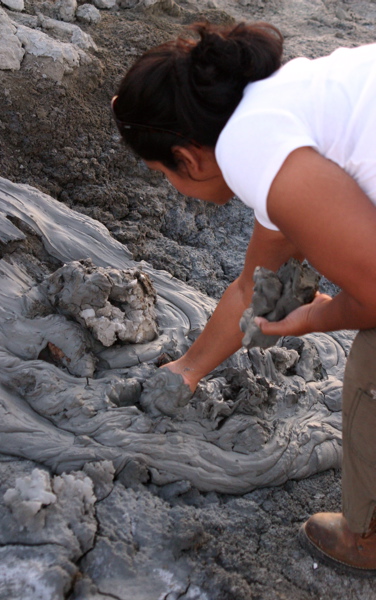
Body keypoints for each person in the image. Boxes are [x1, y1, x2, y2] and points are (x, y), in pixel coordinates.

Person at [111, 21, 376, 573]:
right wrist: (187, 369)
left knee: (369, 373)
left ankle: (366, 536)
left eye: (163, 172)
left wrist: (327, 316)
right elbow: (258, 290)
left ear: (190, 157)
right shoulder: (271, 114)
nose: (171, 185)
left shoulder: (251, 152)